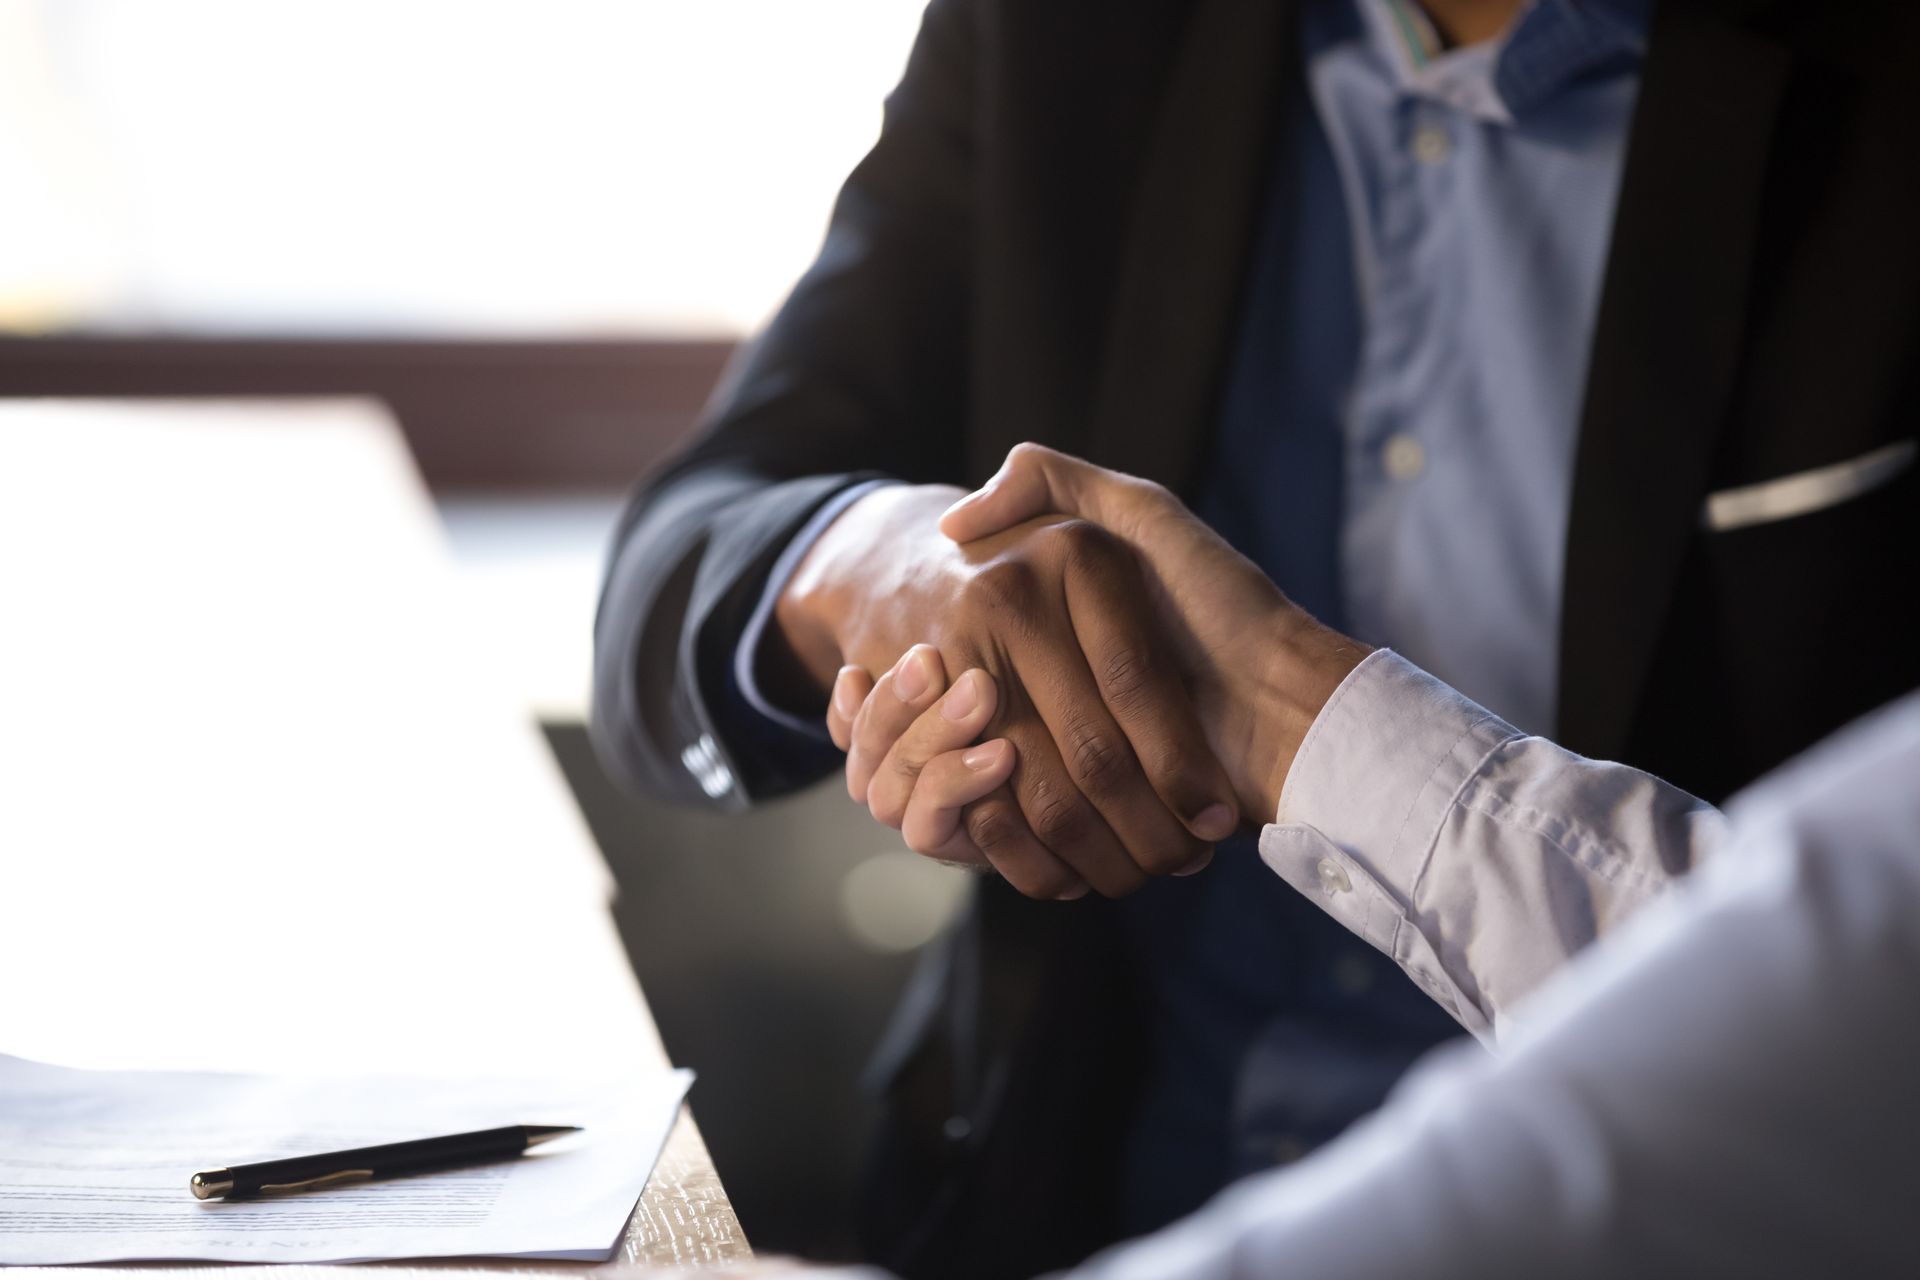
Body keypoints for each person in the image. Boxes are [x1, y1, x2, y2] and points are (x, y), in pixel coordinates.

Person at [591, 0, 1920, 1273]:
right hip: (1059, 1203)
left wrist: (1287, 713)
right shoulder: (1068, 29)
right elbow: (669, 579)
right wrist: (884, 570)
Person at [807, 447, 1919, 1277]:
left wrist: (1275, 705)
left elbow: (1692, 1097)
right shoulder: (1084, 127)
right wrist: (900, 554)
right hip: (1039, 1184)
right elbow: (718, 507)